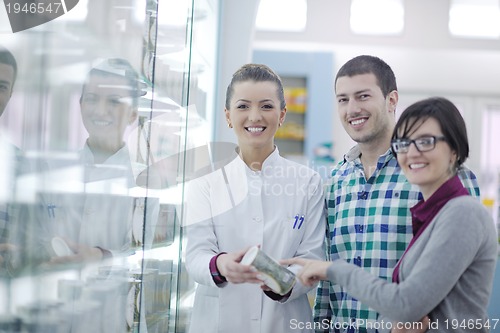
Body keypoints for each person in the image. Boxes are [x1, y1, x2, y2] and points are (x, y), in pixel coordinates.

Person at [283, 96, 497, 333]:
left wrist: (331, 269)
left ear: (455, 149)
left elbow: (405, 304)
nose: (412, 153)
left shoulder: (463, 213)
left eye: (425, 142)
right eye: (403, 144)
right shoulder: (432, 215)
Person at [312, 55, 480, 333]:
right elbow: (327, 285)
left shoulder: (443, 176)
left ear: (391, 100)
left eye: (363, 96)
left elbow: (464, 286)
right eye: (343, 99)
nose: (352, 109)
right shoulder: (335, 182)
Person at [183, 63, 327, 333]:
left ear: (282, 115)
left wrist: (283, 283)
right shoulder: (206, 182)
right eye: (243, 106)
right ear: (228, 115)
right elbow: (195, 256)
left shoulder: (308, 182)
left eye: (266, 106)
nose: (254, 116)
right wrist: (220, 265)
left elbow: (311, 258)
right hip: (216, 322)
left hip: (283, 322)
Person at [37, 58, 158, 264]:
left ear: (133, 114)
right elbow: (35, 239)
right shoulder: (52, 171)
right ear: (81, 104)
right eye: (92, 99)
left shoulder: (147, 184)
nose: (101, 110)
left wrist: (103, 257)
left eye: (114, 101)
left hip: (112, 295)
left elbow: (145, 258)